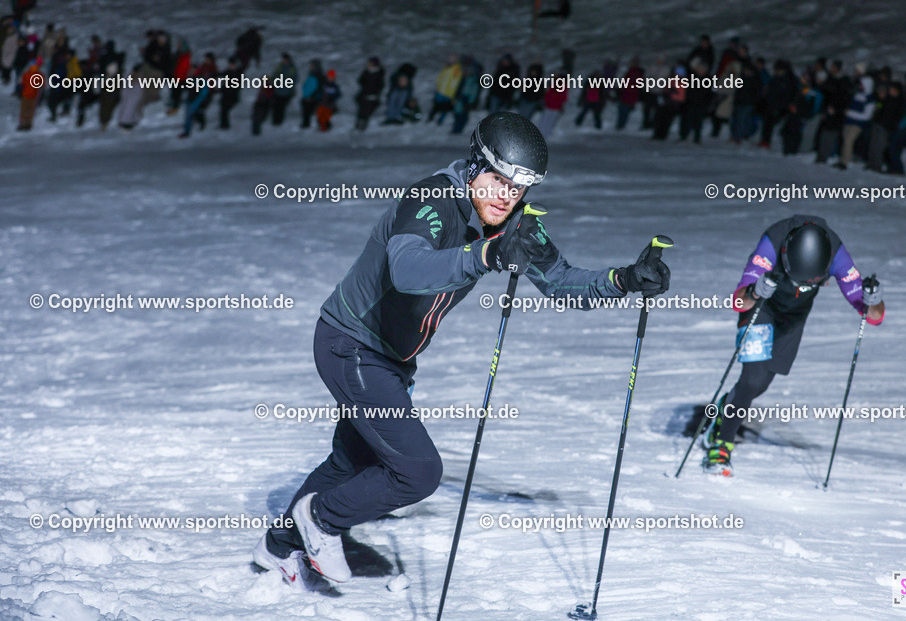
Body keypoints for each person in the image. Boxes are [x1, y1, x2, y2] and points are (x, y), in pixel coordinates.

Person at [252, 112, 671, 589]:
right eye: (497, 180)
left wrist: (624, 280)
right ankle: (322, 520)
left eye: (517, 189)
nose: (505, 197)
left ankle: (277, 547)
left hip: (390, 360)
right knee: (417, 471)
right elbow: (408, 269)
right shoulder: (430, 199)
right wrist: (485, 256)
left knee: (352, 462)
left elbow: (560, 282)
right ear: (475, 165)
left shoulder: (512, 223)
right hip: (352, 343)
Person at [701, 216, 884, 476]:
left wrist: (873, 300)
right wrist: (754, 292)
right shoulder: (771, 245)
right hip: (762, 306)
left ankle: (726, 407)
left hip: (793, 317)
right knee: (752, 379)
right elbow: (739, 302)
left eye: (809, 283)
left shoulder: (838, 256)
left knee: (761, 384)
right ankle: (721, 442)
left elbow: (873, 316)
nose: (802, 286)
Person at [354, 57, 384, 130]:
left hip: (372, 96)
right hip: (364, 94)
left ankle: (363, 124)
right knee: (361, 109)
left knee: (367, 110)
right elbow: (360, 81)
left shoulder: (379, 74)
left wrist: (375, 93)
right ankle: (359, 122)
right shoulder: (367, 72)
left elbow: (380, 85)